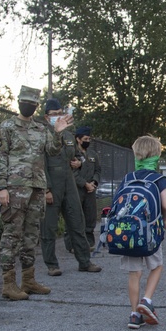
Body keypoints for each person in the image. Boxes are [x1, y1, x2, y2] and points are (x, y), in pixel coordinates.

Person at [0, 87, 66, 300]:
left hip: (36, 189)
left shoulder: (41, 129)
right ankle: (8, 284)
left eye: (33, 103)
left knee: (31, 236)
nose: (28, 105)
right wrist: (2, 187)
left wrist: (58, 132)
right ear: (18, 102)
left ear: (36, 106)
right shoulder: (7, 127)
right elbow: (0, 157)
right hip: (14, 189)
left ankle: (28, 280)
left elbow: (53, 151)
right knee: (11, 235)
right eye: (25, 101)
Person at [39, 98, 102, 276]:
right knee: (49, 226)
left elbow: (78, 156)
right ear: (46, 117)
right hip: (52, 183)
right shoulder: (42, 134)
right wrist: (46, 189)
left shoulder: (68, 135)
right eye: (54, 115)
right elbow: (40, 164)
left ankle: (84, 261)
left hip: (69, 183)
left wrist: (78, 162)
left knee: (77, 222)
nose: (58, 117)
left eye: (60, 113)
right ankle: (52, 264)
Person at [122, 135, 166, 329]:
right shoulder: (158, 179)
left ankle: (134, 314)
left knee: (134, 273)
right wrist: (165, 219)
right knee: (156, 265)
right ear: (157, 155)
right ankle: (146, 300)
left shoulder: (128, 178)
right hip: (150, 232)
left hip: (128, 232)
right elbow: (165, 204)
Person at [74, 126, 102, 249]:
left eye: (89, 138)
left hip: (90, 189)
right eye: (85, 138)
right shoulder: (73, 153)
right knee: (76, 216)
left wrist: (94, 183)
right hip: (77, 189)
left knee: (90, 217)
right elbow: (72, 173)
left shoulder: (92, 154)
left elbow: (98, 170)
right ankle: (73, 244)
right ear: (78, 139)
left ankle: (89, 243)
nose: (88, 141)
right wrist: (84, 184)